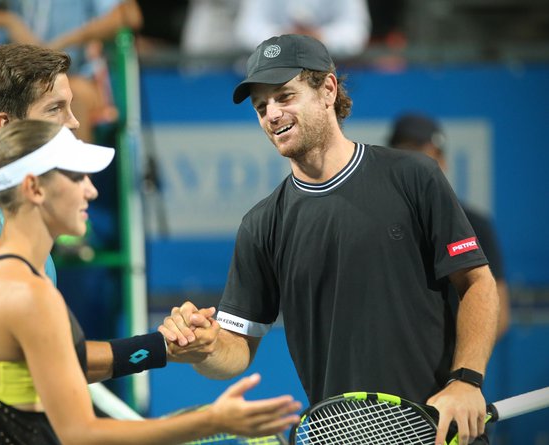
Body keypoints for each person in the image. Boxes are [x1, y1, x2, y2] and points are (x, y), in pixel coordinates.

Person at [158, 34, 499, 445]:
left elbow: (478, 284)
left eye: (285, 96)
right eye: (261, 106)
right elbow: (235, 350)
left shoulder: (414, 176)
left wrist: (466, 380)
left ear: (328, 90)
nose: (272, 115)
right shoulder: (261, 225)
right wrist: (204, 347)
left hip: (440, 432)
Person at [0, 119, 300, 443]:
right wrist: (212, 420)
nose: (91, 190)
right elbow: (81, 433)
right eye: (77, 177)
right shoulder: (30, 297)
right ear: (34, 188)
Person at [0, 42, 203, 445]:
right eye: (55, 109)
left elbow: (47, 360)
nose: (74, 122)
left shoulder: (16, 225)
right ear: (8, 126)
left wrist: (159, 348)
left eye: (71, 106)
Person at [0, 0, 144, 142]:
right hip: (15, 83)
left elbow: (130, 15)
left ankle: (71, 192)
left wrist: (67, 42)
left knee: (68, 96)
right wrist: (7, 21)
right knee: (15, 103)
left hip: (74, 76)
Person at [388, 112, 510, 339]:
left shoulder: (475, 224)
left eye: (419, 152)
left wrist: (464, 365)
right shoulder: (377, 223)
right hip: (394, 365)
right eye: (402, 152)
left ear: (442, 160)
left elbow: (499, 312)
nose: (412, 162)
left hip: (455, 367)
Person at [233, 0, 371, 59]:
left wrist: (319, 37)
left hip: (334, 70)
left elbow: (356, 32)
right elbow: (247, 30)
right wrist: (284, 36)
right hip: (273, 69)